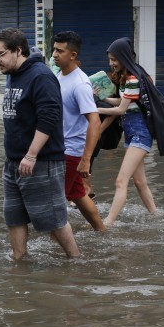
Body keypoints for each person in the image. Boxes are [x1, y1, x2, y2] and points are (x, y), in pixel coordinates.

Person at [0, 28, 80, 259]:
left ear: (18, 50)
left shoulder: (41, 76)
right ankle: (19, 262)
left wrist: (31, 155)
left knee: (53, 219)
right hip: (13, 162)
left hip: (41, 161)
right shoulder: (12, 74)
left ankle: (76, 262)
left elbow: (49, 119)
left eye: (1, 54)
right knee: (14, 217)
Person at [97, 38, 158, 225]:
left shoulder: (132, 79)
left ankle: (108, 222)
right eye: (110, 59)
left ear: (124, 57)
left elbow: (121, 110)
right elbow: (123, 102)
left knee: (120, 181)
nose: (111, 63)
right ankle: (156, 216)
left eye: (114, 59)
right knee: (139, 182)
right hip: (132, 135)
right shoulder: (127, 78)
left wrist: (95, 109)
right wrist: (101, 97)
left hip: (140, 134)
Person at [52, 31, 106, 231]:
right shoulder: (60, 75)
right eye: (54, 49)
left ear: (73, 55)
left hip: (70, 151)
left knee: (55, 201)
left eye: (60, 51)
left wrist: (86, 159)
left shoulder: (80, 84)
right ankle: (102, 231)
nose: (54, 54)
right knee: (78, 194)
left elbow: (94, 122)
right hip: (61, 147)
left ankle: (57, 244)